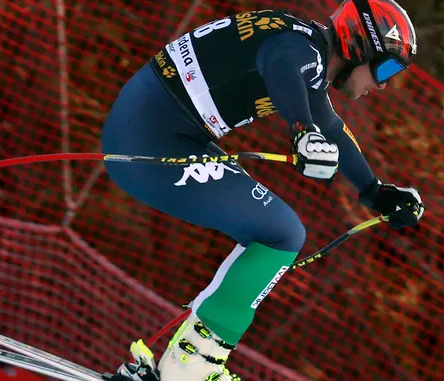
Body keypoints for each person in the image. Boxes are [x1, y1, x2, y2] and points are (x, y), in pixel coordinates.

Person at [101, 0, 424, 379]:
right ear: (358, 46)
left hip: (159, 132)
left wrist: (374, 190)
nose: (383, 84)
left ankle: (188, 361)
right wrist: (302, 129)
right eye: (386, 67)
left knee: (277, 232)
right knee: (281, 233)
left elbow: (332, 128)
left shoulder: (307, 50)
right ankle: (191, 365)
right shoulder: (301, 50)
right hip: (151, 141)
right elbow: (279, 63)